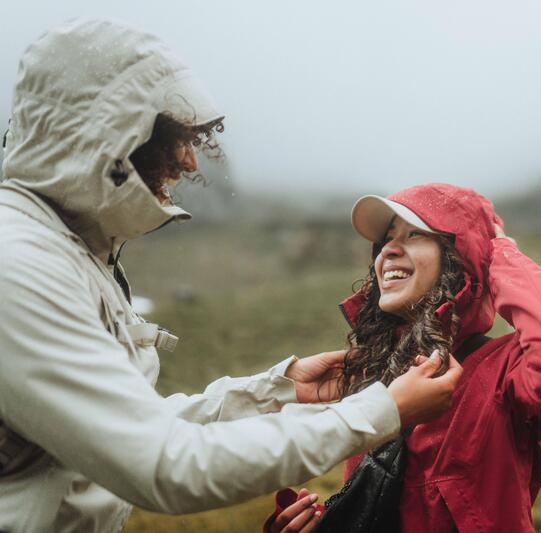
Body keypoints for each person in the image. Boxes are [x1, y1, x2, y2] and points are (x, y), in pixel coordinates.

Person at [0, 19, 461, 533]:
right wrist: (379, 411)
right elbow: (162, 464)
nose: (189, 159)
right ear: (105, 131)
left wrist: (273, 391)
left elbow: (117, 431)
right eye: (170, 137)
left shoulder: (64, 251)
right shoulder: (17, 264)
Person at [266, 183, 541, 532]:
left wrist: (498, 251)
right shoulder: (373, 382)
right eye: (387, 238)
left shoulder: (500, 370)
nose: (388, 249)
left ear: (459, 257)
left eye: (415, 234)